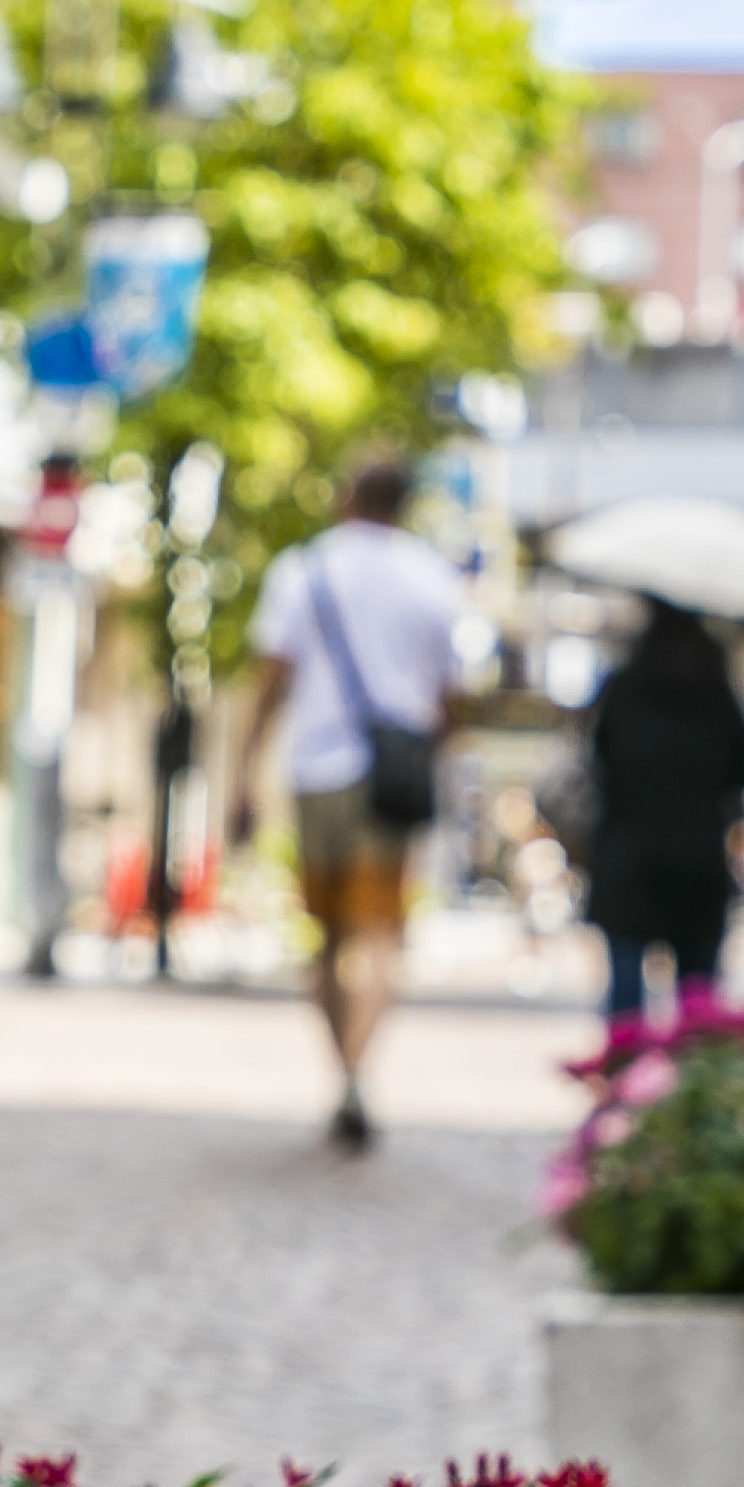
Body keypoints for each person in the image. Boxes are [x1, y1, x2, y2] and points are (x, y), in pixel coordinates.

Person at [234, 450, 471, 1153]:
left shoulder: (304, 570)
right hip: (390, 780)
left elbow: (273, 677)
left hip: (316, 771)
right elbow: (452, 701)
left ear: (347, 497)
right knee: (379, 935)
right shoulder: (432, 579)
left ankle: (343, 1072)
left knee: (327, 935)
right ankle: (359, 1073)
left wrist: (246, 766)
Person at [583, 604, 744, 1021]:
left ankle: (624, 1081)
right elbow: (741, 777)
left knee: (625, 1013)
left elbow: (598, 767)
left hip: (627, 860)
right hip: (699, 864)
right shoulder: (718, 695)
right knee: (697, 1014)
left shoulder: (623, 690)